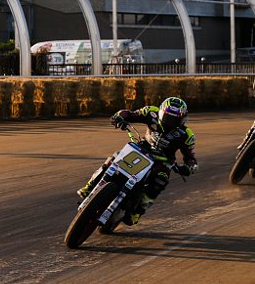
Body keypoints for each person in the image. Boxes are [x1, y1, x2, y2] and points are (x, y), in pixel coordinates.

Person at [77, 96, 197, 225]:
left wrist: (187, 168)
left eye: (175, 119)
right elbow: (129, 113)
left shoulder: (186, 134)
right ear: (161, 112)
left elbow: (191, 159)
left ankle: (138, 211)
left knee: (161, 179)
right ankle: (90, 186)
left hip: (163, 160)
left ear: (183, 119)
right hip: (142, 149)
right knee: (114, 158)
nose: (170, 121)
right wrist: (119, 117)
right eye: (168, 116)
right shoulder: (151, 112)